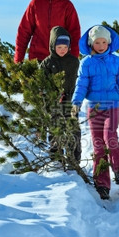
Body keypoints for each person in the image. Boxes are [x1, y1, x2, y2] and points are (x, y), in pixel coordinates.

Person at [71, 24, 119, 200]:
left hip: (112, 105)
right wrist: (76, 102)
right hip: (94, 108)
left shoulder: (115, 61)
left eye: (104, 41)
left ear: (109, 42)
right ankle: (102, 184)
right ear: (91, 44)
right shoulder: (86, 63)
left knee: (109, 137)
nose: (101, 45)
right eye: (97, 42)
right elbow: (81, 85)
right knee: (98, 145)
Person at [15, 0, 81, 63]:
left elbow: (74, 33)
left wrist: (73, 60)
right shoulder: (35, 4)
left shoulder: (67, 6)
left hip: (60, 58)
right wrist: (18, 59)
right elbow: (23, 32)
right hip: (37, 57)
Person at [40, 26, 82, 163]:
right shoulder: (47, 63)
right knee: (55, 131)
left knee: (73, 131)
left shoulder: (74, 61)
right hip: (54, 102)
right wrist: (48, 98)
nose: (63, 50)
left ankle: (74, 160)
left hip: (70, 101)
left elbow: (78, 80)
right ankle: (56, 159)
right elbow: (42, 83)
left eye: (65, 47)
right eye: (59, 47)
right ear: (52, 46)